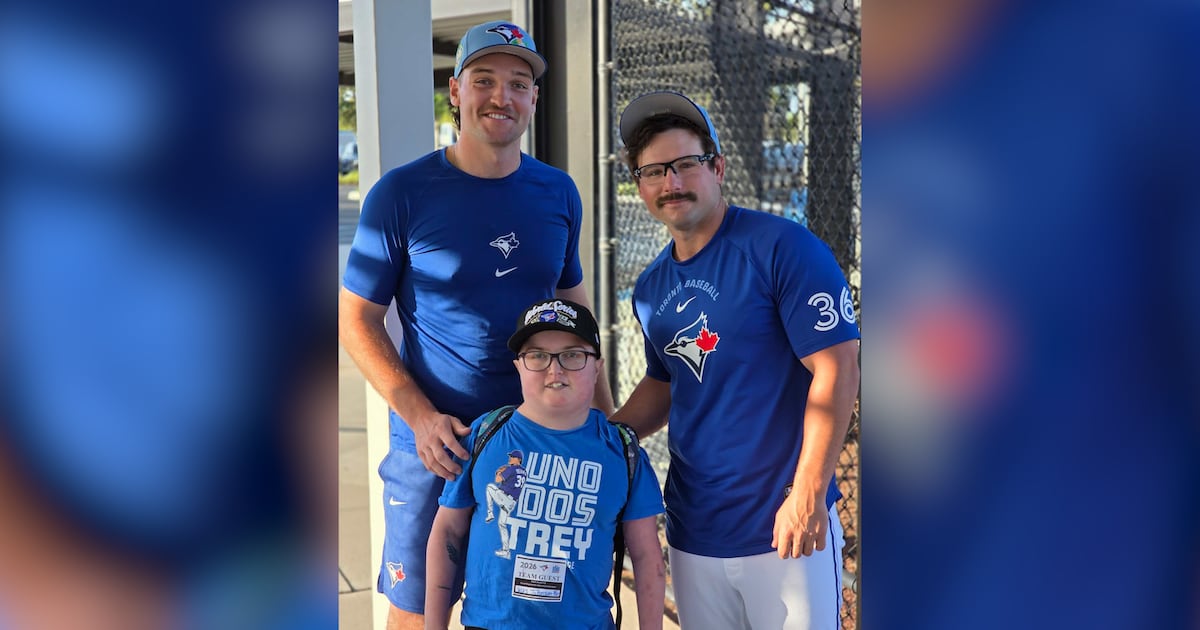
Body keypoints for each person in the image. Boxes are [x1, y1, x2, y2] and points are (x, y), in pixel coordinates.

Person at [337, 20, 615, 629]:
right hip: (437, 445)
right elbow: (355, 319)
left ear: (534, 100)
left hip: (535, 447)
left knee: (532, 609)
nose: (502, 96)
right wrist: (419, 415)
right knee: (417, 613)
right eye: (484, 80)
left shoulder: (558, 192)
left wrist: (604, 418)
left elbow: (575, 313)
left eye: (519, 83)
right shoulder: (401, 194)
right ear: (456, 93)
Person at [610, 91, 861, 630]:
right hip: (694, 532)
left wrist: (808, 493)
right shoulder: (651, 286)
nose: (670, 183)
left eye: (684, 165)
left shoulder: (782, 248)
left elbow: (838, 367)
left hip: (786, 529)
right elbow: (665, 384)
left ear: (717, 167)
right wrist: (594, 439)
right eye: (653, 171)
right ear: (640, 186)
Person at [425, 298, 666, 630]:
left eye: (572, 355)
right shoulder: (485, 434)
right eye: (537, 355)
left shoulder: (622, 452)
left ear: (597, 367)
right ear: (518, 367)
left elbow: (647, 557)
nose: (555, 369)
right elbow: (448, 531)